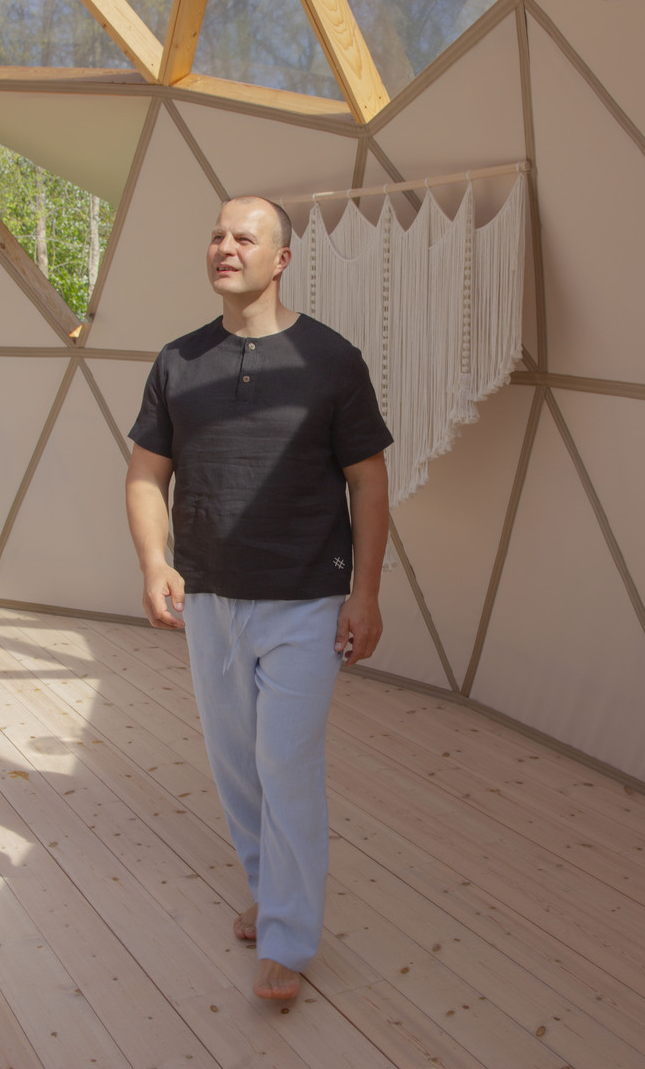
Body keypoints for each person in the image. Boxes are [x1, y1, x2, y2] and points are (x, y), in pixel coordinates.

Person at [125, 195, 393, 1001]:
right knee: (237, 765)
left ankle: (287, 941)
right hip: (209, 598)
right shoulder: (178, 361)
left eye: (245, 237)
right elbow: (145, 474)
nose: (225, 246)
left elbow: (368, 482)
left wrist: (366, 594)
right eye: (217, 234)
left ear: (281, 260)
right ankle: (269, 890)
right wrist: (154, 562)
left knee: (287, 763)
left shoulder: (331, 359)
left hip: (308, 598)